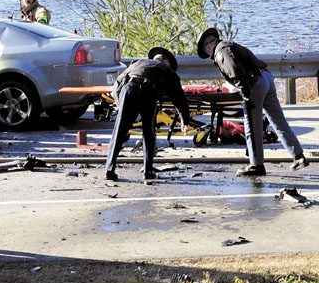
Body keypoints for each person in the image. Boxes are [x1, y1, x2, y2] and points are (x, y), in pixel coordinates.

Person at [197, 28, 309, 175]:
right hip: (265, 77)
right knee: (278, 120)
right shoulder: (228, 45)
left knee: (251, 124)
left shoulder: (220, 52)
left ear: (207, 47)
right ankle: (298, 156)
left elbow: (235, 71)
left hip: (254, 84)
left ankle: (256, 165)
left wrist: (245, 94)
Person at [105, 47, 190, 181]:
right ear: (167, 62)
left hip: (129, 88)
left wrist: (120, 106)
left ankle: (109, 169)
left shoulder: (137, 63)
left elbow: (117, 85)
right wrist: (185, 120)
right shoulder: (168, 70)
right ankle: (148, 171)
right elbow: (179, 98)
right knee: (149, 131)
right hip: (148, 90)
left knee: (119, 131)